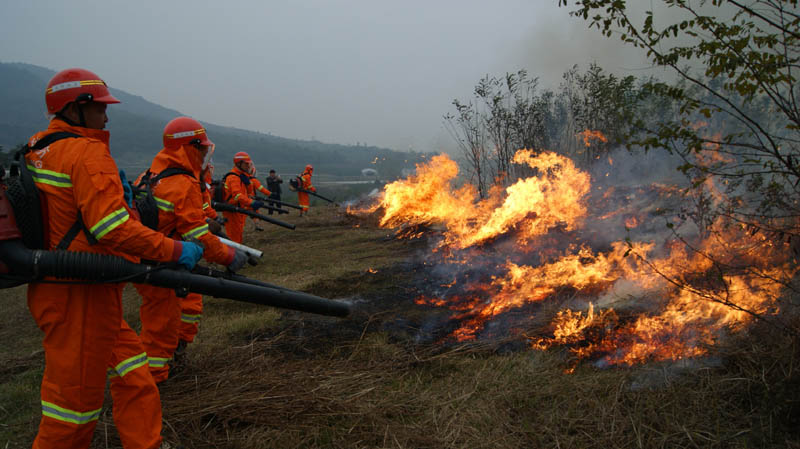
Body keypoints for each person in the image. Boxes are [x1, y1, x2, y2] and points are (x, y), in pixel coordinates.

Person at [25, 68, 203, 449]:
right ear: (77, 107)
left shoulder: (38, 147)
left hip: (83, 289)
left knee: (135, 374)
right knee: (72, 412)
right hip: (78, 295)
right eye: (100, 108)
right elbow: (112, 229)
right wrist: (175, 250)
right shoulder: (85, 152)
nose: (107, 116)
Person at [134, 117, 248, 383]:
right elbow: (195, 235)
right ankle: (156, 382)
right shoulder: (183, 183)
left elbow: (168, 217)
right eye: (201, 149)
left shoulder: (150, 175)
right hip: (165, 262)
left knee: (167, 318)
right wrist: (229, 256)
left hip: (149, 258)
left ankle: (171, 358)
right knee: (161, 327)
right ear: (187, 147)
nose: (203, 155)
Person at [221, 151, 264, 243]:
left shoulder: (241, 176)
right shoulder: (233, 177)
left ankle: (237, 253)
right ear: (239, 163)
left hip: (238, 209)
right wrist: (251, 203)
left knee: (238, 234)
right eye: (246, 164)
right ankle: (234, 255)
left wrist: (248, 186)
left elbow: (245, 194)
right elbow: (237, 195)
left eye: (249, 164)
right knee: (234, 236)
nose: (248, 166)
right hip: (232, 210)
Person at [246, 166, 270, 230]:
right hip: (251, 199)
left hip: (245, 199)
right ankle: (257, 224)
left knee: (254, 213)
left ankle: (257, 225)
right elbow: (261, 189)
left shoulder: (244, 179)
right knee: (254, 213)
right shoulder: (253, 180)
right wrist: (270, 193)